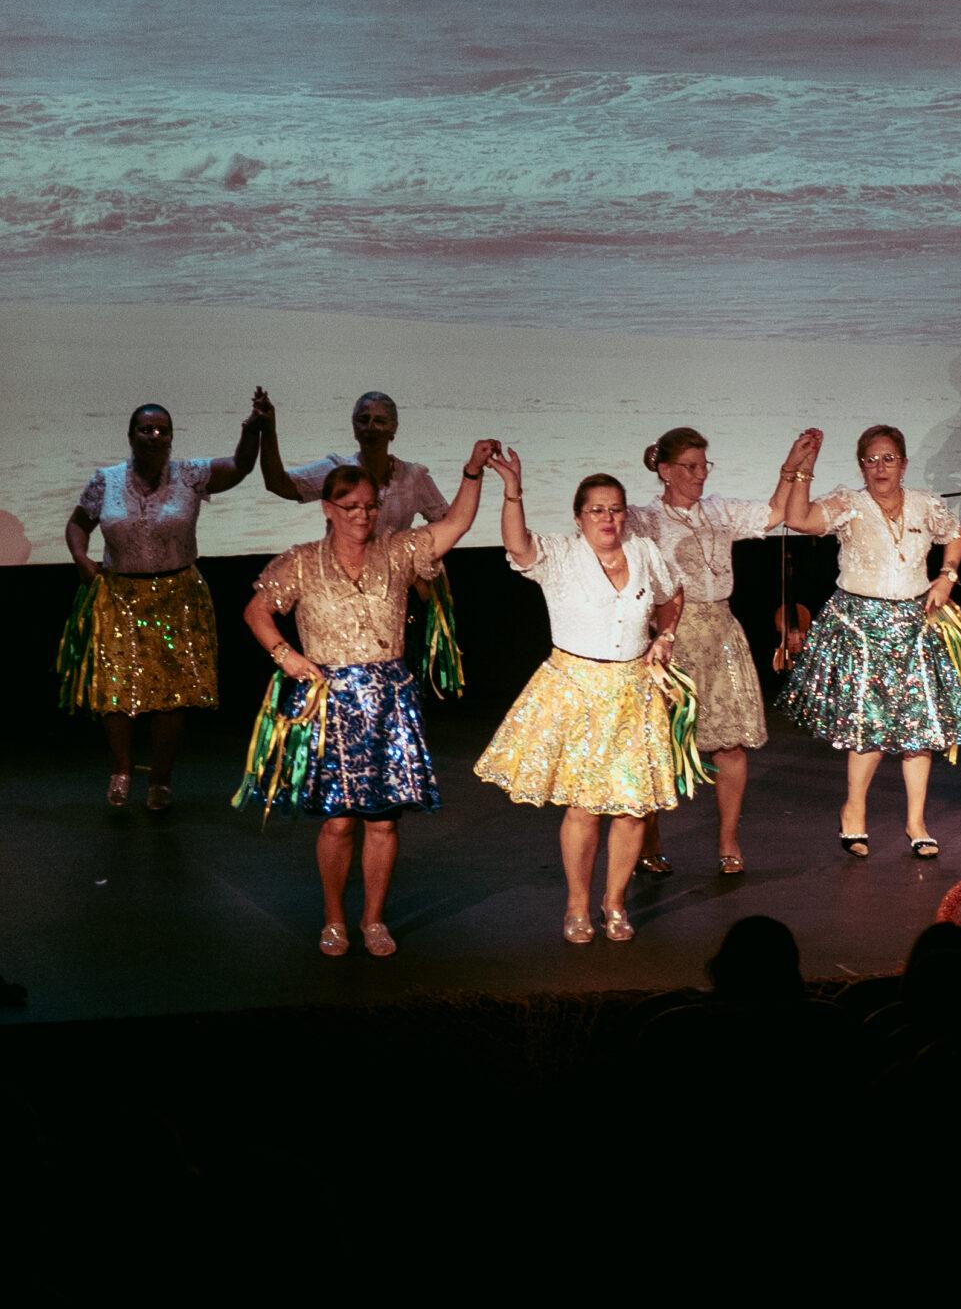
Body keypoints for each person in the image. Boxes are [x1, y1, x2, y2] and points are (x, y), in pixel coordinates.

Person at [243, 443, 495, 956]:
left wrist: (471, 470)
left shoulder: (399, 551)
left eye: (370, 505)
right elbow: (256, 612)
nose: (362, 515)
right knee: (338, 821)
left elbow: (458, 524)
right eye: (350, 506)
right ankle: (334, 918)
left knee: (383, 820)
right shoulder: (301, 563)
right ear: (328, 509)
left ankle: (373, 919)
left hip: (387, 701)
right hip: (331, 703)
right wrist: (286, 657)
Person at [475, 455, 686, 944]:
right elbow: (517, 546)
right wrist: (513, 490)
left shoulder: (644, 551)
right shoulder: (560, 555)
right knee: (585, 807)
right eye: (596, 510)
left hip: (634, 691)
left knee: (632, 806)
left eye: (615, 509)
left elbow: (672, 594)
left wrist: (666, 634)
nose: (608, 519)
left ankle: (614, 904)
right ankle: (576, 906)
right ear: (578, 517)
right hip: (577, 690)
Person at [63, 393, 271, 810]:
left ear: (172, 437)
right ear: (130, 435)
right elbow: (77, 524)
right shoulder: (106, 479)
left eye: (162, 431)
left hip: (178, 596)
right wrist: (82, 558)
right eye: (145, 429)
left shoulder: (191, 475)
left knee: (173, 695)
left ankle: (160, 778)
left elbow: (240, 467)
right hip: (119, 595)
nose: (154, 437)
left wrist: (253, 429)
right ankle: (121, 770)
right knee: (116, 692)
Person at [625, 426, 814, 877]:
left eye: (704, 465)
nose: (699, 475)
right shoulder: (644, 519)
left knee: (730, 745)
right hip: (671, 635)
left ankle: (728, 841)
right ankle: (648, 840)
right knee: (661, 745)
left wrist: (793, 467)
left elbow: (772, 514)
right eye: (689, 467)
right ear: (666, 471)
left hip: (722, 632)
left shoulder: (719, 509)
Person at [779, 425, 961, 859]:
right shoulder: (850, 504)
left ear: (903, 463)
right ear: (860, 465)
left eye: (889, 459)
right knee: (866, 725)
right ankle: (854, 811)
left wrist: (947, 576)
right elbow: (798, 519)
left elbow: (955, 534)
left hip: (913, 621)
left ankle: (917, 821)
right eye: (871, 459)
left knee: (919, 729)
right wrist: (802, 469)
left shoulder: (925, 504)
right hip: (860, 625)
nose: (880, 467)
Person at [260, 390, 450, 532]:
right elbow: (278, 484)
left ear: (393, 428)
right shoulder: (336, 471)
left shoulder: (413, 477)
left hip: (390, 582)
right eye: (364, 419)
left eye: (380, 421)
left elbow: (447, 523)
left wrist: (414, 554)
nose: (370, 427)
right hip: (340, 580)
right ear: (354, 427)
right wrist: (268, 429)